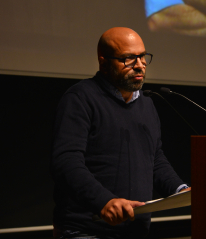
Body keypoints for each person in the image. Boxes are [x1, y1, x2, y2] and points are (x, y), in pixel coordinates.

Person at [51, 27, 189, 239]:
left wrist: (181, 190)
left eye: (142, 57)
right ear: (104, 63)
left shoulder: (147, 105)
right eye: (128, 59)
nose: (140, 65)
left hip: (135, 230)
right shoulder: (80, 98)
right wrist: (103, 201)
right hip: (87, 231)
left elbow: (155, 160)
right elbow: (66, 162)